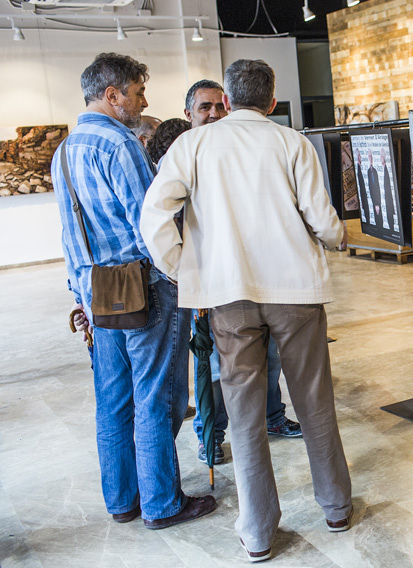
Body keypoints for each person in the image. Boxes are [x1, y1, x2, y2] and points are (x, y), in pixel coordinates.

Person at [141, 59, 353, 561]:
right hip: (295, 290)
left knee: (243, 413)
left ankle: (258, 531)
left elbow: (154, 215)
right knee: (314, 401)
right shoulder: (291, 142)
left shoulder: (192, 145)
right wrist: (338, 238)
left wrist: (184, 268)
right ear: (273, 102)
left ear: (229, 102)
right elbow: (322, 219)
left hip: (228, 294)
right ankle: (336, 506)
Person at [50, 52, 215, 529]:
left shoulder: (64, 151)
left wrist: (80, 293)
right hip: (145, 287)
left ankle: (123, 500)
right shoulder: (118, 144)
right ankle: (163, 502)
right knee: (155, 397)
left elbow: (68, 234)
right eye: (138, 93)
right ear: (112, 95)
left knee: (113, 400)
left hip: (97, 292)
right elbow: (152, 224)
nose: (144, 102)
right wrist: (183, 279)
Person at [182, 80, 304, 466]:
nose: (214, 113)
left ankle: (272, 417)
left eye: (220, 105)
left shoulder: (243, 150)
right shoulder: (187, 156)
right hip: (215, 285)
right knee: (216, 370)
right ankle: (212, 435)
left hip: (262, 278)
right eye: (205, 108)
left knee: (270, 358)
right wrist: (187, 278)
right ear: (189, 115)